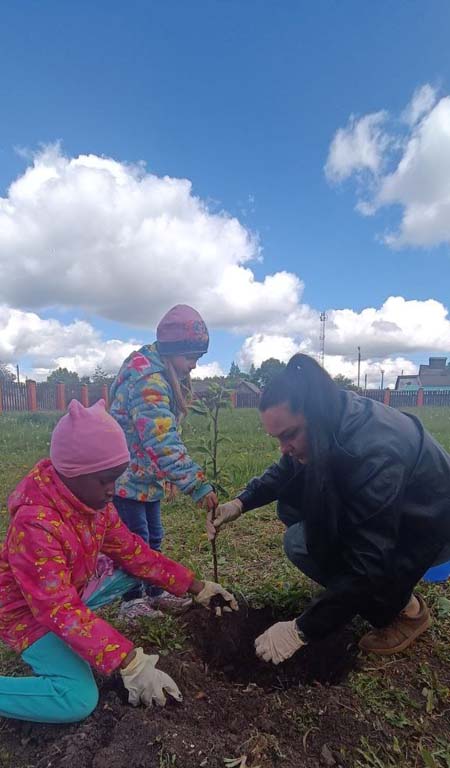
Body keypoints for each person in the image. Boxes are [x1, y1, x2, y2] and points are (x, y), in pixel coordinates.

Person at [0, 400, 237, 724]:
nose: (113, 490)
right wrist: (128, 660)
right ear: (71, 473)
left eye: (116, 478)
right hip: (28, 614)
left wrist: (197, 587)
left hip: (65, 593)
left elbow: (135, 553)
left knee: (129, 566)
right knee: (77, 698)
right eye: (104, 480)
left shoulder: (93, 505)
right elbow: (57, 610)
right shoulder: (35, 525)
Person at [207, 353, 450, 664]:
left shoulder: (375, 453)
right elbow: (286, 468)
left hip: (425, 524)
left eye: (288, 435)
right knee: (301, 535)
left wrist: (302, 629)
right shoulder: (330, 415)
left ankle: (408, 611)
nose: (284, 448)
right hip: (388, 510)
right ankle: (347, 594)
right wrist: (240, 502)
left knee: (321, 551)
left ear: (314, 416)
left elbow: (370, 558)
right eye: (277, 439)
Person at [110, 304, 218, 620]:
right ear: (171, 352)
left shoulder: (159, 373)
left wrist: (166, 474)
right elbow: (160, 438)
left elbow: (159, 437)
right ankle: (131, 601)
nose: (194, 365)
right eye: (190, 357)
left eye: (198, 358)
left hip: (144, 476)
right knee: (135, 542)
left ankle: (154, 592)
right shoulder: (148, 380)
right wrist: (195, 483)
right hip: (125, 476)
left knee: (154, 537)